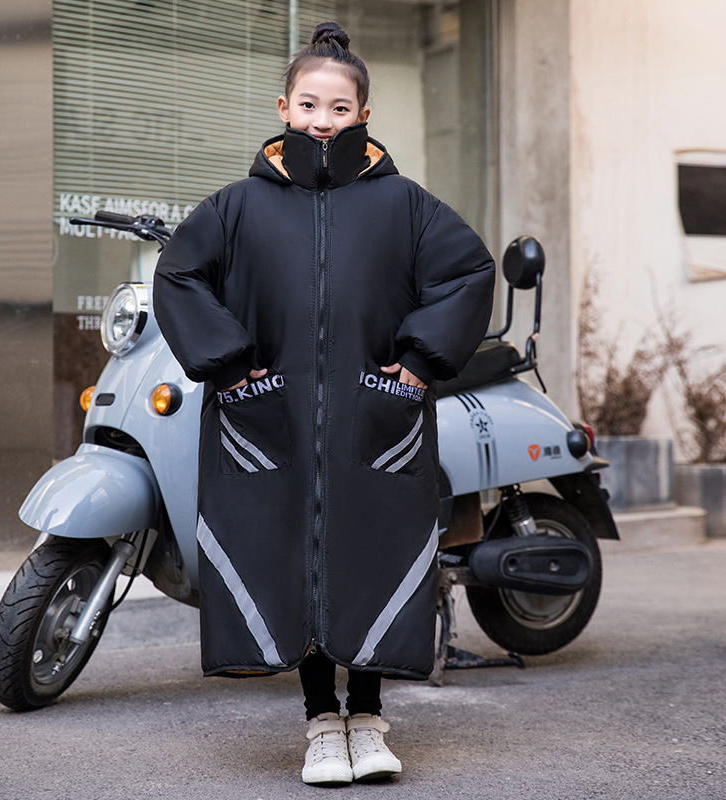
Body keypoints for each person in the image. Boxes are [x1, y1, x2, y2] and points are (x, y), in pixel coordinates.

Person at [152, 22, 495, 786]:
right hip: (268, 418)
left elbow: (470, 272)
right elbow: (178, 276)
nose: (322, 121)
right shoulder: (236, 207)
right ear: (284, 107)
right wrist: (230, 370)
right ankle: (319, 724)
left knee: (367, 553)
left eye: (339, 108)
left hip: (375, 419)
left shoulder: (405, 206)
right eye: (309, 104)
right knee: (290, 559)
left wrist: (415, 369)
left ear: (363, 115)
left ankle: (367, 721)